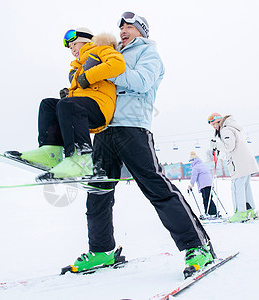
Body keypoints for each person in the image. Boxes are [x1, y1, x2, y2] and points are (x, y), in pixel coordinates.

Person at [69, 12, 215, 277]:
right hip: (104, 130)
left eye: (129, 27)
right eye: (121, 27)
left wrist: (106, 73)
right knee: (98, 191)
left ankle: (198, 246)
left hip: (133, 128)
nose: (123, 30)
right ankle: (102, 250)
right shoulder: (109, 52)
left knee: (157, 187)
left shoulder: (148, 54)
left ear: (142, 31)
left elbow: (141, 82)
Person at [7, 28, 126, 179]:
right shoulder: (77, 66)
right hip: (82, 109)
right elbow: (83, 93)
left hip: (100, 108)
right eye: (70, 48)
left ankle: (81, 160)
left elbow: (118, 64)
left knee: (67, 104)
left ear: (87, 40)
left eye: (74, 44)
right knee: (48, 104)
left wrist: (87, 77)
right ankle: (50, 152)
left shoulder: (100, 50)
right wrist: (69, 93)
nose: (72, 50)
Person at [208, 113, 259, 222]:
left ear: (219, 122)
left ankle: (240, 213)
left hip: (238, 164)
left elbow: (229, 147)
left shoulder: (226, 130)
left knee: (237, 187)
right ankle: (250, 211)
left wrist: (215, 145)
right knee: (245, 187)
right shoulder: (233, 128)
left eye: (214, 125)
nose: (214, 127)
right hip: (244, 163)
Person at [188, 151, 218, 217]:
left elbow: (194, 177)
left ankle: (211, 213)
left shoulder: (196, 167)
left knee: (206, 199)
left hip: (204, 185)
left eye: (191, 161)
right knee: (209, 198)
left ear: (193, 161)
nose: (191, 163)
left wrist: (191, 185)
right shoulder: (203, 165)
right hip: (209, 184)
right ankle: (212, 211)